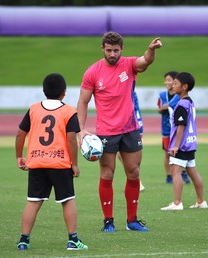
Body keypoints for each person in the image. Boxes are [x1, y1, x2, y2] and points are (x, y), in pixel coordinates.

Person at [77, 31, 162, 232]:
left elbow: (146, 61)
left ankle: (132, 220)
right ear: (103, 49)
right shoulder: (93, 72)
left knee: (133, 172)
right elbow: (83, 101)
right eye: (109, 50)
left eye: (116, 50)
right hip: (106, 132)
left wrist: (151, 49)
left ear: (121, 49)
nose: (112, 54)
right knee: (107, 174)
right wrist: (80, 130)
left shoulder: (129, 65)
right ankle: (108, 221)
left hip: (130, 129)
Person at [15, 73, 88, 251]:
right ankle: (73, 240)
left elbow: (20, 134)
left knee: (33, 201)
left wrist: (19, 156)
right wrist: (74, 164)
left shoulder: (33, 109)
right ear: (64, 92)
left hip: (37, 162)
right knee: (68, 200)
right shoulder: (69, 111)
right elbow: (71, 139)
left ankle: (24, 240)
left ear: (43, 91)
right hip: (60, 164)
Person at [161, 72, 208, 211]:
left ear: (185, 86)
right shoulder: (190, 102)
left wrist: (176, 145)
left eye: (175, 83)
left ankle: (177, 203)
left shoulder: (181, 104)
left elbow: (181, 126)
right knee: (192, 171)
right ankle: (201, 201)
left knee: (175, 171)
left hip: (181, 144)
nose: (172, 85)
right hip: (191, 142)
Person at [158, 71, 190, 184]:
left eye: (169, 80)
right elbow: (159, 109)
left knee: (182, 151)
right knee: (167, 153)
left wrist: (169, 106)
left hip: (178, 128)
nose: (167, 82)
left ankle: (184, 173)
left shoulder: (181, 96)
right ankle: (169, 176)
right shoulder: (162, 95)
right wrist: (163, 108)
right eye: (165, 80)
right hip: (167, 129)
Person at [118, 91, 145, 192]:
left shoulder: (129, 91)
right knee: (121, 155)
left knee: (131, 156)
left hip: (132, 125)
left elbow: (132, 108)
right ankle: (135, 178)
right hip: (125, 124)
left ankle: (136, 180)